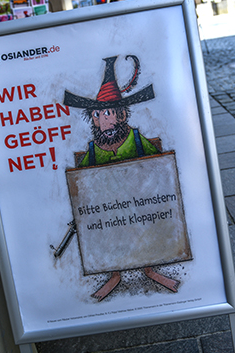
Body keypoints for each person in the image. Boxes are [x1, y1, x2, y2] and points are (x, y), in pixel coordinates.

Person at [63, 55, 180, 301]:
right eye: (97, 116)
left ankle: (150, 269)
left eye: (107, 113)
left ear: (121, 115)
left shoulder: (136, 139)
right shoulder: (93, 150)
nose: (102, 120)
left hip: (141, 204)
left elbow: (160, 168)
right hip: (110, 210)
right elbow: (81, 180)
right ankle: (114, 274)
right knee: (106, 233)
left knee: (149, 229)